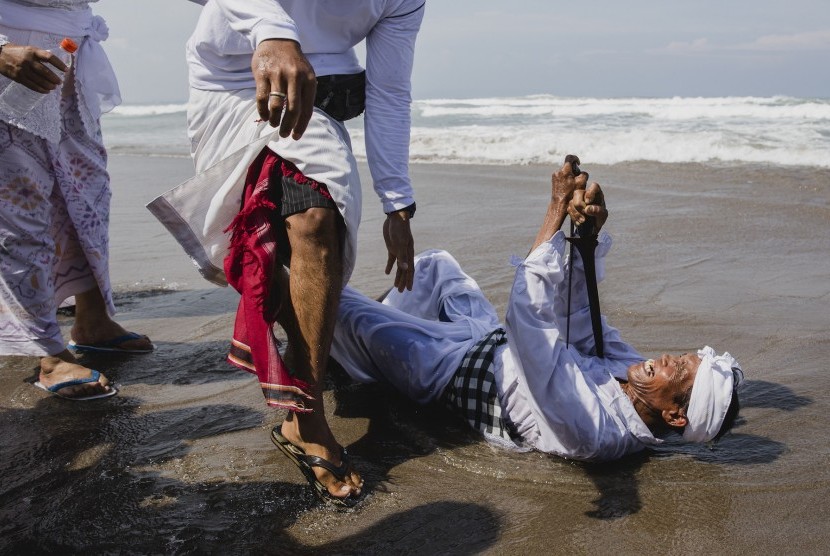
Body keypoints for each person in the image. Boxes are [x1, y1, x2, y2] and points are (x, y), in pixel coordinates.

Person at [149, 1, 425, 505]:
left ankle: (307, 415)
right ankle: (304, 362)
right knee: (262, 251)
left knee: (317, 221)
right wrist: (272, 32)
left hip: (322, 98)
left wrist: (397, 203)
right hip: (232, 83)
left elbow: (390, 92)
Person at [329, 156, 743, 462]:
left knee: (339, 303)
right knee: (437, 264)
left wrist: (555, 210)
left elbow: (530, 325)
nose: (669, 358)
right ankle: (362, 348)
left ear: (673, 416)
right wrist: (586, 237)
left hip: (446, 370)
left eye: (681, 370)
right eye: (683, 357)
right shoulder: (637, 376)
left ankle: (359, 345)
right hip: (486, 339)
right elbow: (579, 322)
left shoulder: (596, 432)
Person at [0, 0, 153, 401]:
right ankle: (47, 352)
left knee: (87, 197)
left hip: (68, 60)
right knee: (21, 213)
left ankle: (93, 320)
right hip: (10, 58)